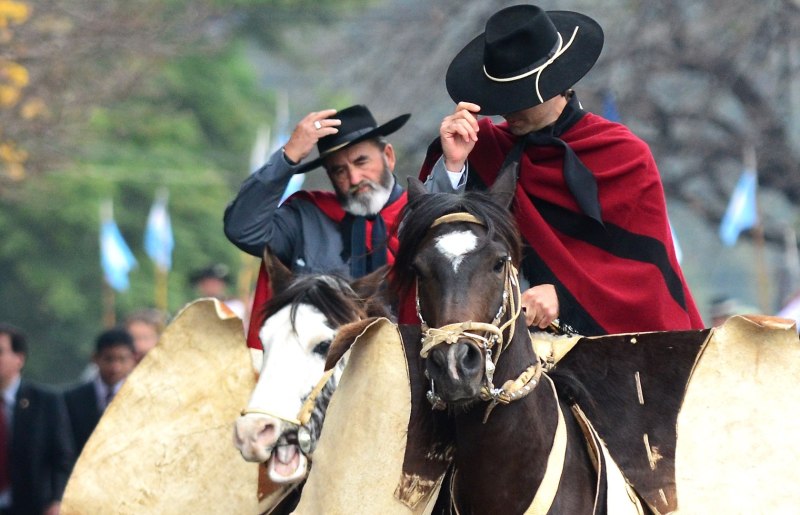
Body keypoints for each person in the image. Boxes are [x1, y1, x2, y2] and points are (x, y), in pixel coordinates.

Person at [419, 4, 704, 335]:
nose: (507, 110)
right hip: (497, 343)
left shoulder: (624, 154)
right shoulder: (480, 150)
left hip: (615, 346)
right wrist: (454, 165)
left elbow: (644, 272)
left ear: (556, 84)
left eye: (519, 97)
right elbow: (436, 243)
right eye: (501, 97)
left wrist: (565, 296)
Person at [224, 104, 410, 349]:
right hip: (319, 374)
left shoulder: (424, 218)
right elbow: (242, 228)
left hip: (408, 373)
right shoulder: (305, 217)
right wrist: (288, 156)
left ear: (388, 156)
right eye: (339, 171)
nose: (354, 179)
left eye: (361, 162)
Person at [0, 323, 74, 515]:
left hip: (31, 506)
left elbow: (62, 457)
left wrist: (57, 499)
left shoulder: (45, 401)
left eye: (0, 352)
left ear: (19, 358)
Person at [63, 328, 136, 456]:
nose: (115, 367)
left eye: (122, 359)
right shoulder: (71, 400)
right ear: (95, 358)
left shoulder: (141, 400)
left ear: (133, 359)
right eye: (109, 359)